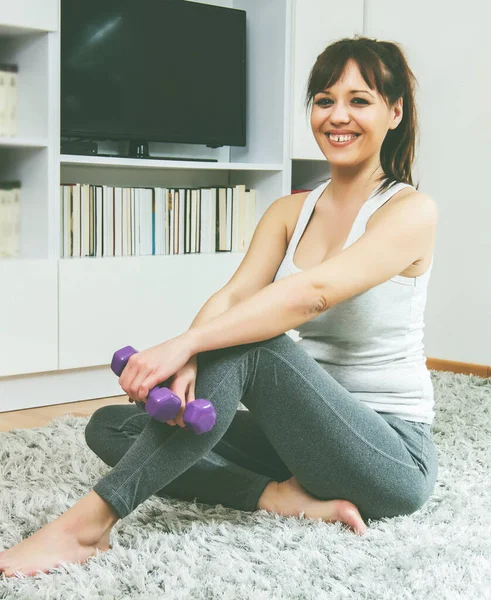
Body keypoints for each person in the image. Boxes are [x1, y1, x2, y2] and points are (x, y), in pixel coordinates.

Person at [0, 35, 439, 578]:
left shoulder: (411, 211)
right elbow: (233, 296)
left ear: (395, 112)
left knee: (254, 345)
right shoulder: (289, 211)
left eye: (359, 100)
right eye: (324, 100)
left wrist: (188, 345)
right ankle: (277, 497)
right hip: (301, 442)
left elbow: (311, 295)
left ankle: (84, 528)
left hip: (389, 457)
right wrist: (189, 364)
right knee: (112, 426)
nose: (337, 116)